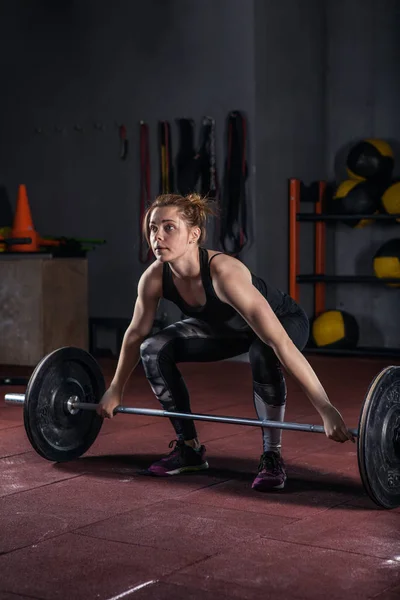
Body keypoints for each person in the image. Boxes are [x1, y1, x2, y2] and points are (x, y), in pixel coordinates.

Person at [97, 193, 355, 491]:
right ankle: (190, 449)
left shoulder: (224, 273)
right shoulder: (154, 277)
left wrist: (325, 408)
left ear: (194, 235)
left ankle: (272, 455)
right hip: (226, 329)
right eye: (153, 228)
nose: (158, 236)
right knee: (152, 349)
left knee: (263, 351)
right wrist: (115, 388)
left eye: (169, 227)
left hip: (283, 321)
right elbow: (135, 334)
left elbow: (280, 342)